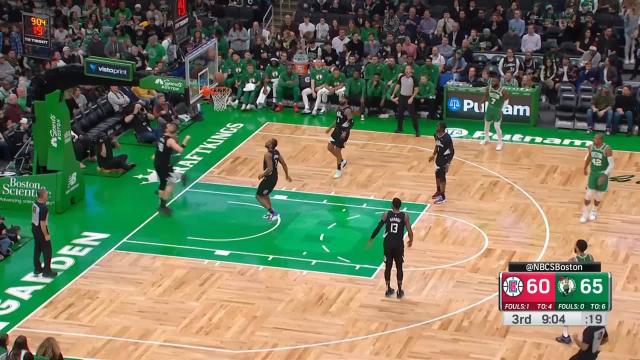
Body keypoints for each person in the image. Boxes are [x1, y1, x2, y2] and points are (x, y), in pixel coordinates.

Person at [367, 198, 414, 299]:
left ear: (392, 205)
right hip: (398, 245)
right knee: (399, 267)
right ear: (400, 206)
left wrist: (372, 238)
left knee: (388, 267)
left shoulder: (386, 214)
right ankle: (399, 291)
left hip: (388, 244)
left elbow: (378, 227)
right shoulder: (405, 216)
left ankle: (388, 289)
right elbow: (409, 230)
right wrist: (411, 240)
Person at [556, 239, 595, 344]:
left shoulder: (573, 261)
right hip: (588, 290)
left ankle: (565, 336)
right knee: (586, 315)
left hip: (577, 292)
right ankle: (589, 338)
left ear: (577, 248)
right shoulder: (591, 258)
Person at [154, 123, 190, 215]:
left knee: (164, 181)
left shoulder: (162, 137)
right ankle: (162, 206)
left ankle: (180, 177)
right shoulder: (170, 140)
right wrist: (186, 140)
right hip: (163, 164)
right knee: (170, 183)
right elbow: (180, 150)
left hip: (160, 162)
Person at [256, 138, 292, 221]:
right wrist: (287, 175)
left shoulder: (267, 155)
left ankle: (273, 212)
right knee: (265, 195)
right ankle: (270, 213)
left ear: (270, 145)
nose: (266, 141)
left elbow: (270, 169)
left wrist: (261, 175)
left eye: (268, 141)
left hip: (268, 179)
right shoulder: (276, 152)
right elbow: (284, 164)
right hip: (274, 178)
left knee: (258, 196)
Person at [581, 134, 613, 223]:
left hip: (603, 174)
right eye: (594, 138)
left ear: (601, 140)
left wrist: (605, 175)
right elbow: (589, 157)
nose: (594, 139)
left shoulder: (607, 149)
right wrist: (584, 167)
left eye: (596, 138)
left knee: (598, 196)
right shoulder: (590, 147)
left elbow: (612, 165)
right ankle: (585, 213)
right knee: (588, 195)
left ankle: (594, 211)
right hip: (593, 173)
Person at [325, 96, 354, 179]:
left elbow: (351, 123)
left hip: (343, 133)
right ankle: (342, 161)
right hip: (336, 131)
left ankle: (339, 171)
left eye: (342, 99)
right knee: (329, 147)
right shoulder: (339, 108)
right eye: (340, 98)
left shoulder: (347, 110)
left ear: (346, 100)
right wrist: (330, 128)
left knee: (337, 150)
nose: (340, 100)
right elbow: (337, 120)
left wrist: (345, 132)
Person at [480, 72, 509, 151]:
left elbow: (506, 100)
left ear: (499, 82)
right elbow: (485, 96)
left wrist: (502, 110)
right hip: (489, 108)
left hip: (497, 110)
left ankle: (500, 142)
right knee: (486, 125)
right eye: (492, 81)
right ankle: (487, 139)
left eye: (494, 81)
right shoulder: (488, 88)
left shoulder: (503, 90)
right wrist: (481, 103)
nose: (492, 83)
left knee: (497, 127)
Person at [32, 188, 56, 278]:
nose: (47, 195)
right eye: (46, 194)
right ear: (42, 195)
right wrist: (46, 234)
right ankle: (47, 272)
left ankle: (37, 268)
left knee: (37, 248)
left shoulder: (35, 203)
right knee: (47, 250)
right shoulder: (43, 208)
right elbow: (42, 223)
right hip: (41, 230)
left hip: (34, 228)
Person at [428, 122, 454, 205]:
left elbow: (452, 151)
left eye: (438, 126)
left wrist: (448, 164)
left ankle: (443, 197)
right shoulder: (436, 135)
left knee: (442, 177)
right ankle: (438, 191)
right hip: (439, 157)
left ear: (442, 128)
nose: (436, 127)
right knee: (437, 175)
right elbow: (437, 145)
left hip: (445, 158)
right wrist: (433, 154)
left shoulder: (447, 138)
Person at [391, 66, 420, 137]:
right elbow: (397, 86)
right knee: (400, 114)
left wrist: (412, 97)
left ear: (411, 70)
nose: (407, 70)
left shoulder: (414, 78)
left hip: (409, 97)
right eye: (406, 69)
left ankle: (417, 131)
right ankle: (399, 128)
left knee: (412, 115)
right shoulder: (401, 77)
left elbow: (417, 89)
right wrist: (393, 94)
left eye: (408, 69)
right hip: (402, 97)